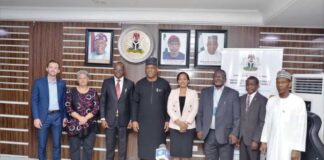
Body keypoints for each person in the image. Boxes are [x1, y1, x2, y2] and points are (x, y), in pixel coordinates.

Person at [260, 70, 307, 160]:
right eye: (278, 82)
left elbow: (301, 126)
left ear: (289, 84)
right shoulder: (271, 101)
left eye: (283, 82)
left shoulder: (298, 101)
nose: (280, 85)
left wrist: (297, 149)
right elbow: (267, 122)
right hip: (273, 143)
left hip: (289, 147)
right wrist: (264, 141)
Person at [132, 57, 171, 160]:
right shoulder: (139, 84)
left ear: (157, 69)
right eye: (147, 67)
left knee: (160, 152)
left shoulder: (164, 84)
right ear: (145, 69)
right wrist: (134, 120)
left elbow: (169, 104)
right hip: (143, 124)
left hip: (160, 124)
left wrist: (167, 120)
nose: (150, 70)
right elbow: (135, 103)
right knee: (144, 151)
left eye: (152, 67)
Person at [196, 68, 240, 160]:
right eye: (215, 76)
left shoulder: (233, 94)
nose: (217, 78)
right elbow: (200, 113)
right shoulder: (205, 92)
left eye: (220, 77)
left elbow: (237, 117)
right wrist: (199, 129)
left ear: (225, 79)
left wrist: (234, 133)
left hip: (226, 135)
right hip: (209, 134)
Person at [31, 60, 67, 160]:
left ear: (58, 70)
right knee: (42, 145)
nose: (53, 69)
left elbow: (64, 102)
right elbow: (34, 101)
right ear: (47, 69)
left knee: (57, 145)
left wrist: (64, 117)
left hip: (57, 117)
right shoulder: (38, 83)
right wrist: (36, 117)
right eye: (51, 67)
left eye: (55, 68)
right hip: (43, 117)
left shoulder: (62, 84)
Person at [100, 62, 134, 160]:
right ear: (113, 70)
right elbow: (103, 101)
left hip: (124, 120)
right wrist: (102, 118)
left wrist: (131, 119)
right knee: (110, 147)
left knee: (122, 148)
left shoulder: (130, 84)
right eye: (116, 69)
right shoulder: (107, 82)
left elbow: (132, 103)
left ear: (124, 71)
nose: (118, 71)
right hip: (109, 120)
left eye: (120, 70)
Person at [65, 70, 99, 160]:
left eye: (84, 78)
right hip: (74, 124)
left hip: (90, 125)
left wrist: (85, 118)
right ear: (77, 80)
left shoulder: (93, 92)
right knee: (74, 149)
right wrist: (80, 118)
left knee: (88, 149)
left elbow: (96, 108)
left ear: (88, 79)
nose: (82, 80)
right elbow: (68, 107)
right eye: (80, 78)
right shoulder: (71, 91)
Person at [167, 72, 199, 160]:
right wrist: (179, 123)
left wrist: (185, 124)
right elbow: (169, 109)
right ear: (177, 81)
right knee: (175, 155)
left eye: (184, 79)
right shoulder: (173, 92)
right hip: (175, 127)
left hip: (188, 127)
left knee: (186, 155)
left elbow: (195, 109)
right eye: (180, 79)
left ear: (188, 81)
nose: (182, 81)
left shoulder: (193, 93)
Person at [239, 76, 267, 160]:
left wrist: (256, 140)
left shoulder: (263, 100)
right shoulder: (241, 99)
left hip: (253, 140)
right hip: (242, 139)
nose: (249, 87)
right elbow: (240, 119)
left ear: (258, 86)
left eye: (252, 84)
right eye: (247, 84)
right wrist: (238, 136)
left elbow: (262, 122)